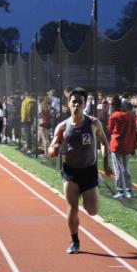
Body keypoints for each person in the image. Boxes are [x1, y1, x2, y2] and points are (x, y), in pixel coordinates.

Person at [48, 88, 113, 254]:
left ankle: (94, 186)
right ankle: (75, 241)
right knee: (72, 207)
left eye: (80, 102)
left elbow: (104, 143)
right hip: (70, 171)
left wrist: (106, 164)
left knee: (92, 211)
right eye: (74, 102)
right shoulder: (62, 127)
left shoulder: (93, 123)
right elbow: (51, 147)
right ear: (69, 104)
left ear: (84, 105)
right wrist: (53, 150)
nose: (76, 105)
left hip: (89, 170)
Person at [107, 95, 136, 199]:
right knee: (126, 169)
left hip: (117, 145)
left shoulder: (114, 116)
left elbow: (110, 130)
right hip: (127, 145)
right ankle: (129, 190)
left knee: (118, 169)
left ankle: (120, 191)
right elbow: (134, 131)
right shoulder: (130, 115)